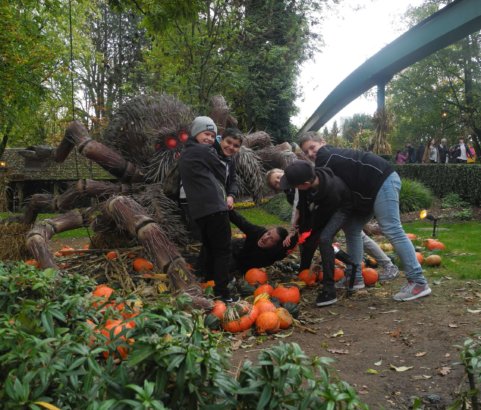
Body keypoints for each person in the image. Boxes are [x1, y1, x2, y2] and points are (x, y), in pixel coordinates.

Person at [299, 132, 431, 302]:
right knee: (352, 229)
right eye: (306, 152)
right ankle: (355, 278)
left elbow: (329, 191)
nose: (310, 153)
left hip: (381, 181)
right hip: (368, 191)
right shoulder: (330, 157)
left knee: (391, 228)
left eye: (312, 147)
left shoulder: (325, 155)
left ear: (322, 143)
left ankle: (418, 282)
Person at [267, 167, 399, 282]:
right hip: (325, 212)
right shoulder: (290, 188)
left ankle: (384, 265)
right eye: (276, 183)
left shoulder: (299, 180)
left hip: (335, 208)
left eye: (278, 177)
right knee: (339, 238)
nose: (279, 181)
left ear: (282, 171)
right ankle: (329, 268)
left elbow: (298, 207)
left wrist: (293, 229)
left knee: (355, 235)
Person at [279, 160, 357, 307]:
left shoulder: (332, 190)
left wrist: (308, 234)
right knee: (309, 240)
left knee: (324, 238)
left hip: (341, 207)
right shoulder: (306, 184)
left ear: (306, 183)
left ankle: (329, 289)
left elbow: (318, 222)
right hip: (324, 208)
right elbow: (303, 207)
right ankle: (306, 270)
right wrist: (296, 230)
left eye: (294, 185)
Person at [179, 116, 234, 302]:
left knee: (210, 247)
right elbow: (221, 171)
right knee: (223, 250)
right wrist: (221, 159)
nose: (210, 139)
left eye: (213, 136)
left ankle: (204, 278)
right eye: (206, 133)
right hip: (214, 208)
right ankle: (223, 292)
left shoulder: (187, 152)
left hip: (198, 211)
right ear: (196, 133)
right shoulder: (204, 151)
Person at [228, 209, 296, 275]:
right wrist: (228, 208)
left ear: (275, 246)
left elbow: (292, 242)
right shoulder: (257, 232)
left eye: (271, 239)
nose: (265, 238)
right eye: (268, 233)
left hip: (246, 269)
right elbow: (241, 222)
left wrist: (292, 234)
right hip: (233, 250)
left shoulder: (275, 253)